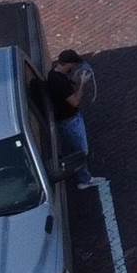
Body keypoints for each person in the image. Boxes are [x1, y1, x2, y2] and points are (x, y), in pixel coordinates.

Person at [47, 49, 97, 182]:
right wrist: (82, 84)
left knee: (71, 147)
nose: (74, 68)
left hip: (65, 118)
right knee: (81, 150)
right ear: (68, 64)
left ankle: (77, 174)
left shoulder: (53, 74)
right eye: (73, 65)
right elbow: (74, 102)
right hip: (70, 119)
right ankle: (84, 179)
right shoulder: (60, 82)